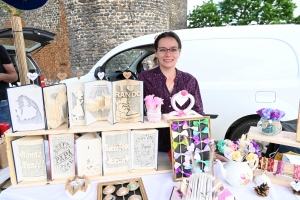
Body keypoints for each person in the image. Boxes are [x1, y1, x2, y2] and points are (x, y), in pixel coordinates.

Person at [138, 31, 228, 162]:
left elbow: (198, 115)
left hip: (185, 149)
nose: (168, 54)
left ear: (179, 52)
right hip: (152, 148)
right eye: (163, 50)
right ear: (156, 52)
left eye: (173, 49)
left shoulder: (189, 80)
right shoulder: (144, 78)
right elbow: (137, 113)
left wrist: (205, 150)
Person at [0, 45, 18, 127]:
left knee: (7, 136)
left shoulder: (0, 49)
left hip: (2, 104)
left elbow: (14, 76)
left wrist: (2, 76)